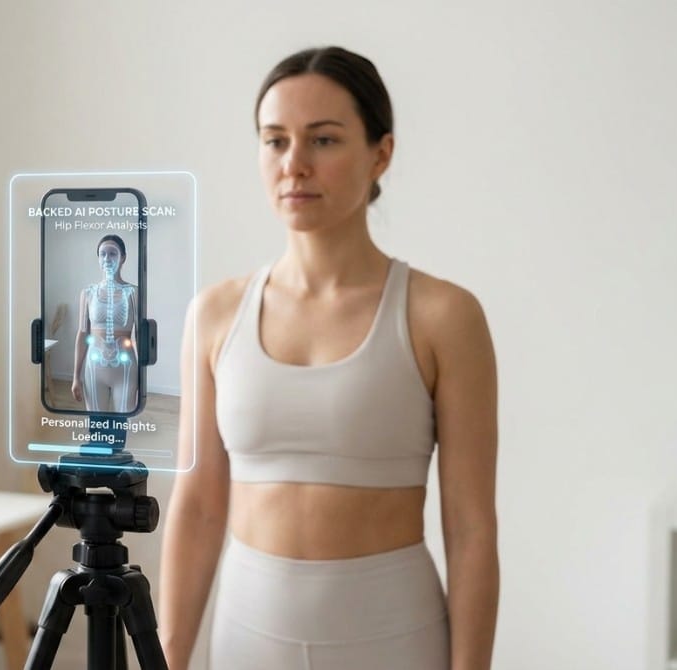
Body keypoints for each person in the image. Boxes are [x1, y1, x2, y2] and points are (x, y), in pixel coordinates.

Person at [158, 46, 499, 669]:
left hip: (393, 638)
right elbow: (199, 505)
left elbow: (471, 528)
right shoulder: (214, 314)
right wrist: (169, 657)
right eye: (274, 141)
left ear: (381, 154)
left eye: (323, 140)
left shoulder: (443, 316)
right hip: (246, 636)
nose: (294, 165)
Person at [71, 234, 140, 413]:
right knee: (96, 425)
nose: (107, 259)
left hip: (125, 368)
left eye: (113, 254)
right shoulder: (88, 293)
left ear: (123, 257)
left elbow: (139, 337)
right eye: (103, 254)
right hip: (94, 367)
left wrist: (144, 377)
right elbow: (82, 333)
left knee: (121, 424)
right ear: (98, 258)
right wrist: (75, 377)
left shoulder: (133, 293)